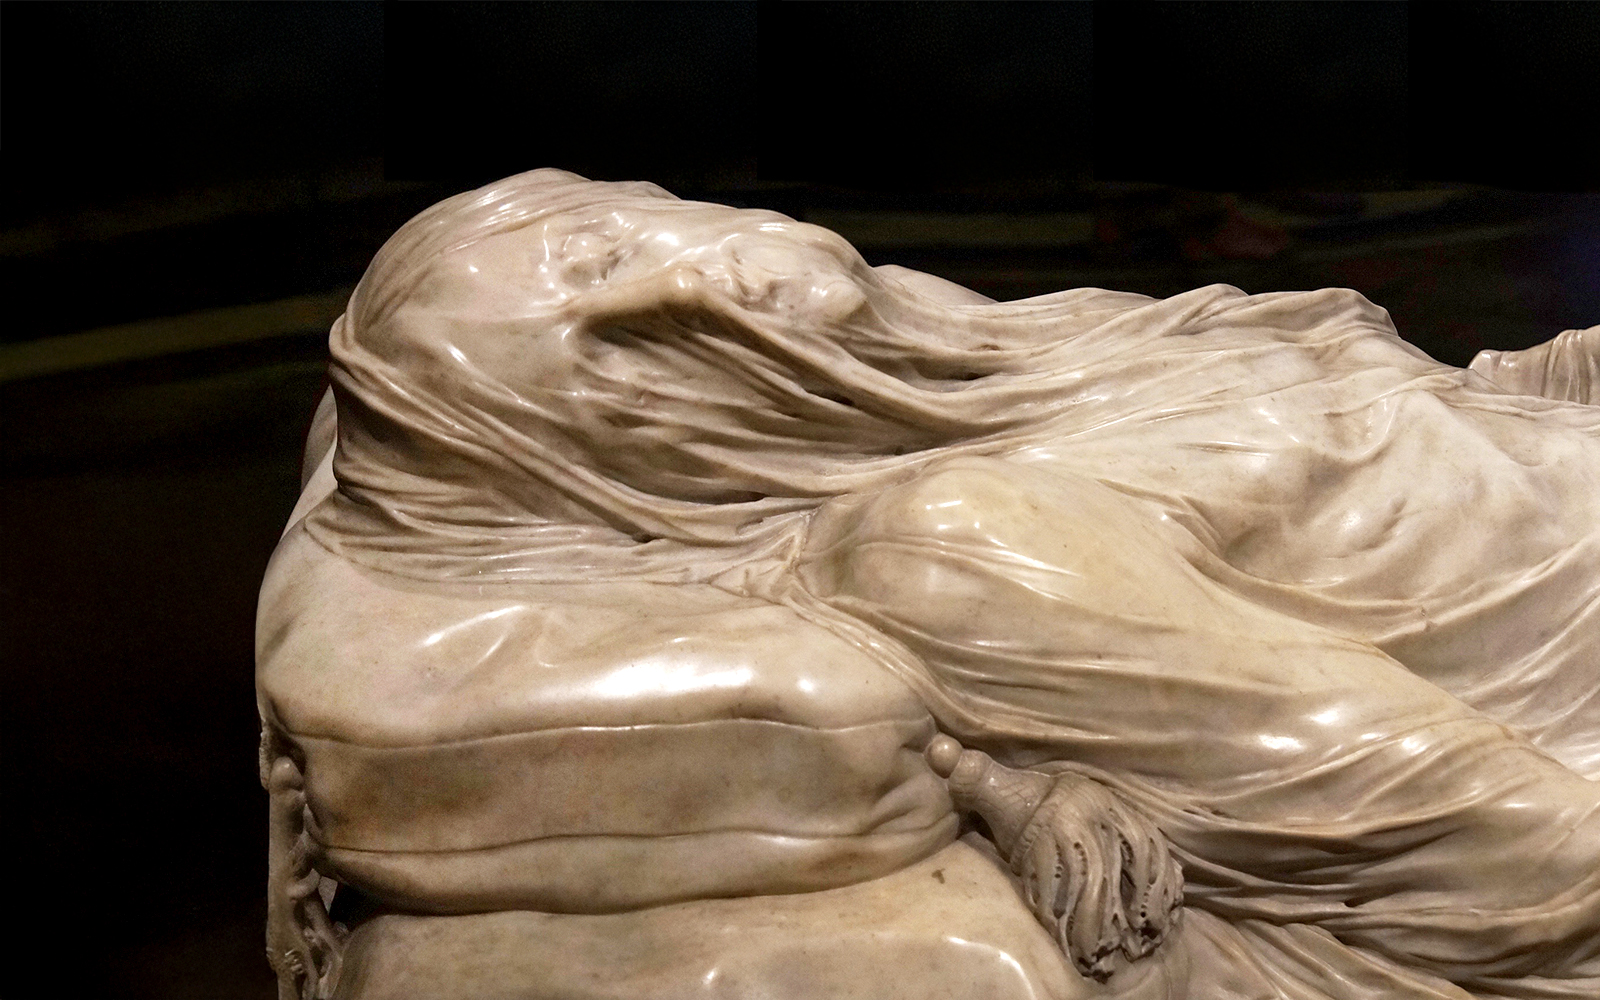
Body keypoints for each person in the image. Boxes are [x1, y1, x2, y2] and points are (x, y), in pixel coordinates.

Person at [262, 169, 1600, 999]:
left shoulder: (962, 363)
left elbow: (1448, 424)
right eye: (609, 352)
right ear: (627, 469)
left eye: (611, 241)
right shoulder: (964, 543)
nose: (683, 276)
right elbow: (1509, 849)